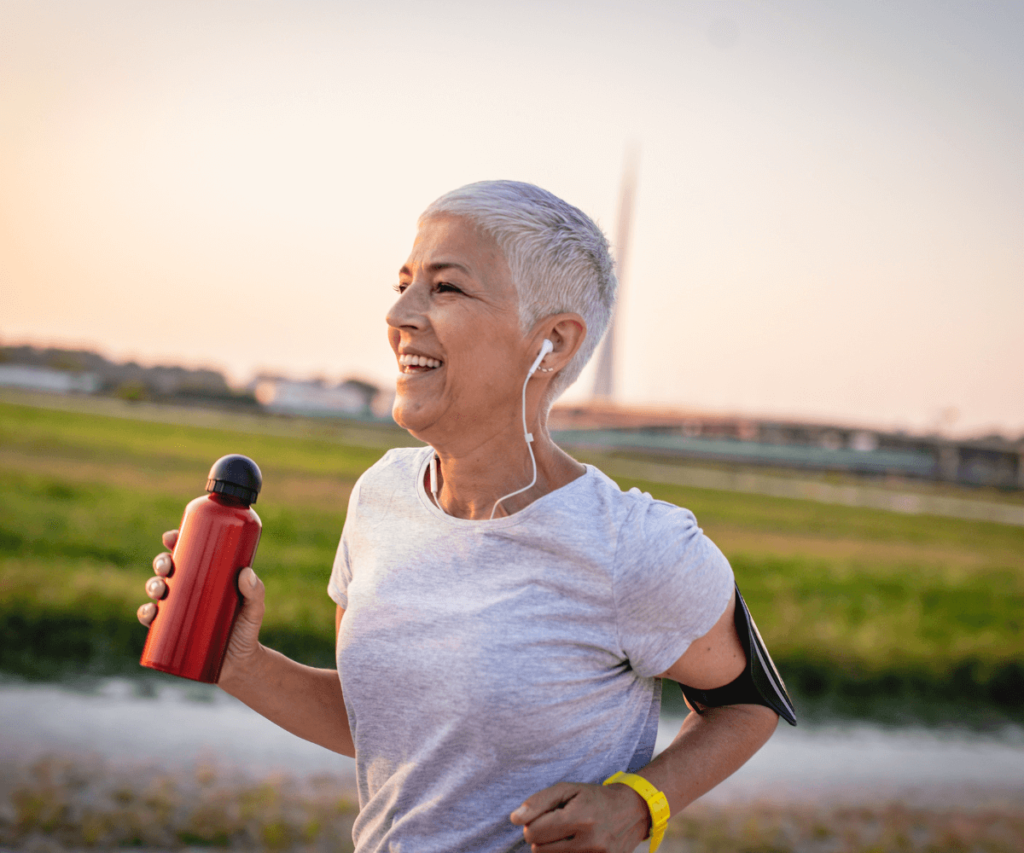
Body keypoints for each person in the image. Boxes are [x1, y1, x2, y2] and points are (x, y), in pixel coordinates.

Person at [138, 180, 782, 853]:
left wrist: (640, 802)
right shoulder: (379, 495)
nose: (400, 313)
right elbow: (394, 731)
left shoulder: (639, 546)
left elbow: (749, 703)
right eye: (404, 281)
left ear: (553, 342)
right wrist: (240, 664)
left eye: (445, 288)